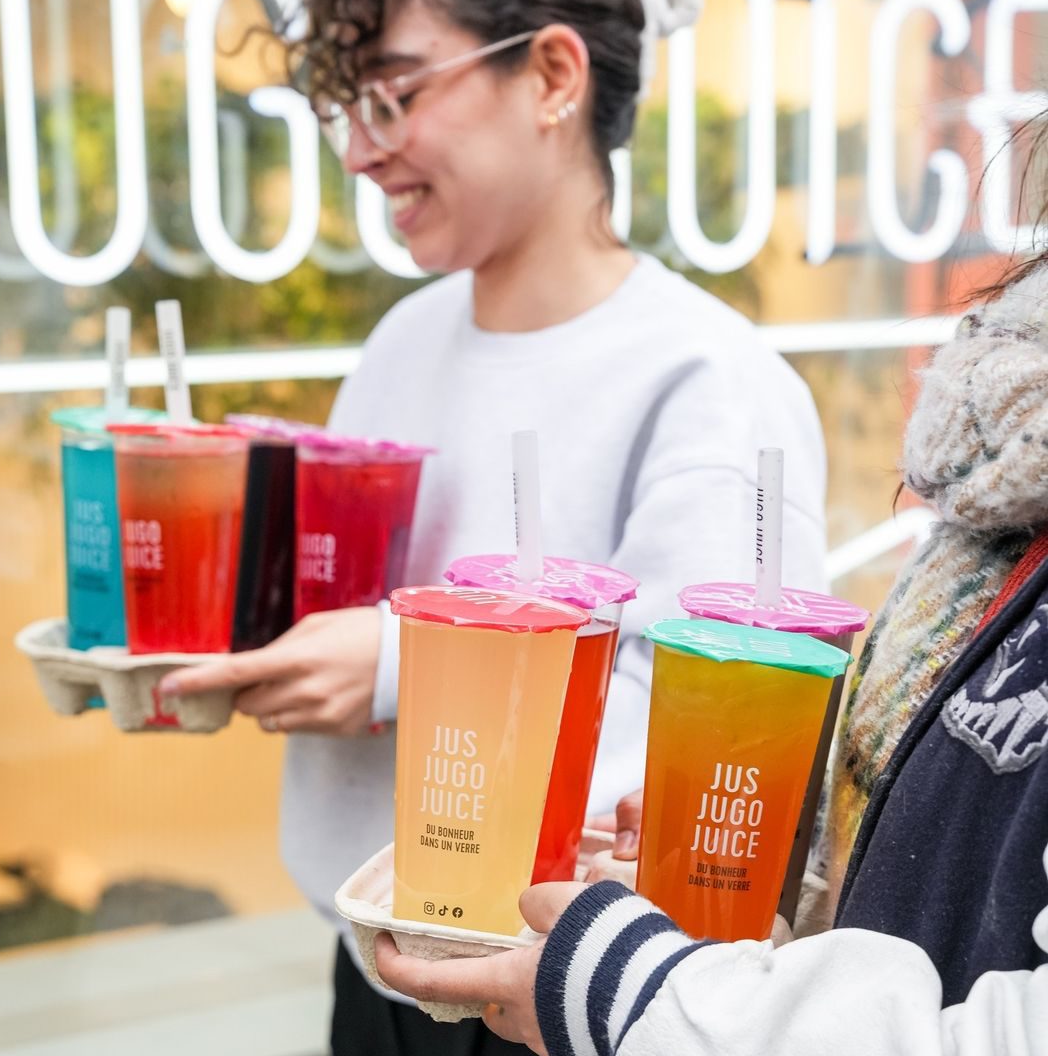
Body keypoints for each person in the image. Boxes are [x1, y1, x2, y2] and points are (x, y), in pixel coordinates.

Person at [162, 0, 829, 1052]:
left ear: (553, 76)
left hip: (557, 996)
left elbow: (718, 738)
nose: (361, 152)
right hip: (370, 962)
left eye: (395, 94)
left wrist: (393, 661)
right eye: (351, 106)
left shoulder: (710, 380)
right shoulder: (402, 345)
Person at [374, 258, 1048, 1054]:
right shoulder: (995, 489)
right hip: (678, 980)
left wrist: (642, 990)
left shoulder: (710, 371)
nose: (363, 143)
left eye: (392, 116)